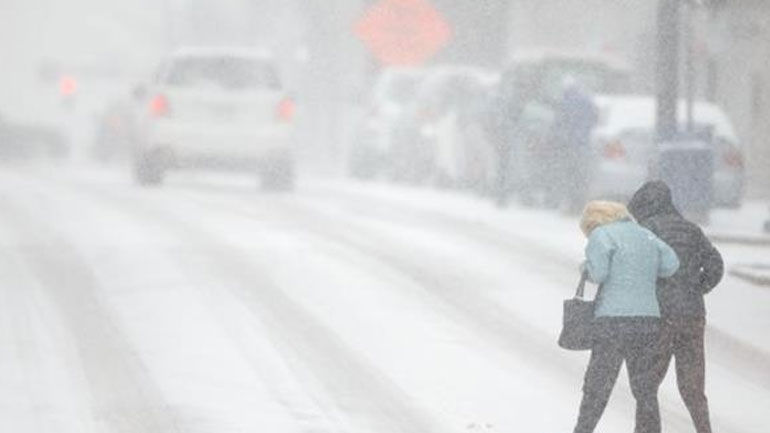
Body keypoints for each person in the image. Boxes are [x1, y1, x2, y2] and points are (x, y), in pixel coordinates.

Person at [573, 201, 679, 433]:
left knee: (598, 385)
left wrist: (585, 268)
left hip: (612, 321)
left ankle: (583, 429)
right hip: (648, 321)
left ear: (593, 223)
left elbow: (599, 273)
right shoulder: (646, 235)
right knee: (645, 388)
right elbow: (671, 265)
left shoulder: (602, 235)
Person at [627, 181, 724, 433]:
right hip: (692, 316)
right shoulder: (692, 230)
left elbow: (637, 270)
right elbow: (716, 265)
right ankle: (704, 429)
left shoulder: (647, 230)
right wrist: (696, 289)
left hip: (660, 315)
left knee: (646, 383)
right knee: (692, 388)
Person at [550, 78, 598, 213]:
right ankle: (579, 204)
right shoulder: (587, 101)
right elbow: (594, 119)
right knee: (580, 176)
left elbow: (558, 123)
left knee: (569, 175)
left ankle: (571, 204)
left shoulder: (565, 102)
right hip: (583, 145)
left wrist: (559, 138)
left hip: (568, 145)